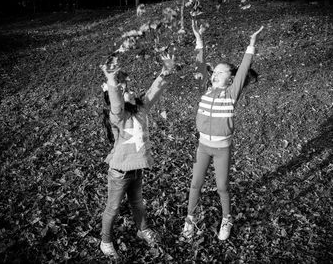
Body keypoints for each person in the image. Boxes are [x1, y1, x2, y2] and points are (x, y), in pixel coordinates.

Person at [182, 20, 263, 241]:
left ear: (230, 79)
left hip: (222, 149)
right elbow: (200, 65)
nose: (214, 74)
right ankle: (190, 218)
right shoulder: (205, 90)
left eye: (220, 72)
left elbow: (244, 68)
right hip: (203, 147)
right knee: (195, 184)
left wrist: (251, 45)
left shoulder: (231, 94)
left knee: (222, 187)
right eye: (214, 71)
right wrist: (199, 40)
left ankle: (227, 218)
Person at [99, 53, 175, 259]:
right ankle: (105, 241)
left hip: (136, 169)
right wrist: (112, 81)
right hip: (119, 172)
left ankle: (142, 229)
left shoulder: (141, 109)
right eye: (124, 91)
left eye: (129, 89)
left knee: (138, 203)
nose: (130, 91)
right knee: (113, 208)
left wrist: (165, 71)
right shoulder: (118, 116)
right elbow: (116, 102)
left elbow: (153, 91)